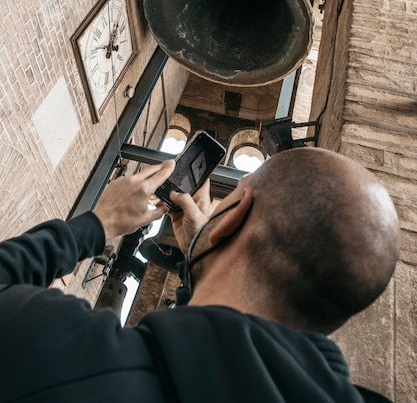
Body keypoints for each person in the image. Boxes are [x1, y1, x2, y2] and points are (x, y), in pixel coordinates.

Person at [0, 147, 400, 403]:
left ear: (236, 215)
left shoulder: (70, 359)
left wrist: (98, 223)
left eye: (231, 199)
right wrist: (201, 255)